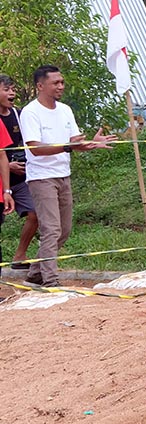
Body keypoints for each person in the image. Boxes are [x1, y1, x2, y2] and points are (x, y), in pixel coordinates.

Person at [20, 65, 116, 287]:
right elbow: (35, 148)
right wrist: (68, 147)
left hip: (63, 174)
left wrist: (92, 144)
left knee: (64, 230)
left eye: (62, 82)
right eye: (56, 83)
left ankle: (36, 272)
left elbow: (74, 144)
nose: (61, 86)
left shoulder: (65, 110)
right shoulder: (31, 112)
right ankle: (51, 282)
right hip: (41, 176)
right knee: (51, 229)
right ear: (40, 86)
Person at [0, 76, 36, 270]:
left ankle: (19, 256)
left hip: (21, 177)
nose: (12, 93)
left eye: (13, 89)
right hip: (2, 179)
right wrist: (7, 166)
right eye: (7, 89)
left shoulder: (19, 114)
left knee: (35, 213)